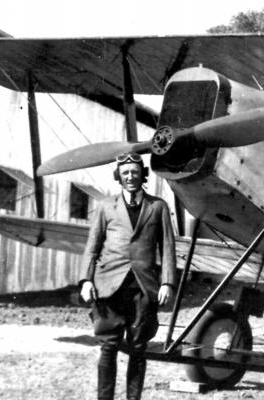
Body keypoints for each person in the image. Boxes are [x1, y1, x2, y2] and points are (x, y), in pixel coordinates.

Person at [79, 152, 177, 400]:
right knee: (108, 347)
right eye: (125, 173)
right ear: (118, 177)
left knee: (138, 348)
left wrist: (167, 282)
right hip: (109, 286)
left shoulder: (158, 207)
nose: (130, 177)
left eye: (135, 172)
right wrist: (87, 280)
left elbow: (167, 248)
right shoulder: (105, 206)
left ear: (143, 175)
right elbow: (92, 247)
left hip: (143, 288)